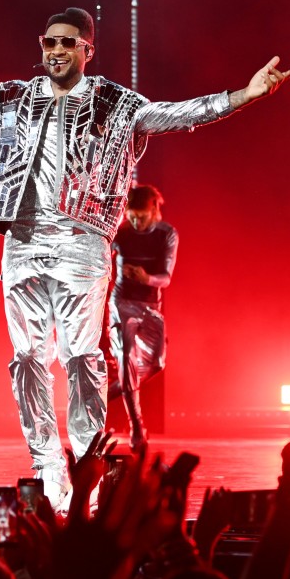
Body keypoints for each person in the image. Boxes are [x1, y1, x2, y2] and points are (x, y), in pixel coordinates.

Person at [0, 6, 290, 508]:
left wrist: (245, 95)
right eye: (49, 42)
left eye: (67, 43)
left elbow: (180, 115)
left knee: (80, 358)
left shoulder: (115, 105)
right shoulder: (10, 100)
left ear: (88, 50)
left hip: (82, 244)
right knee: (27, 359)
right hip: (22, 242)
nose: (55, 51)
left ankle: (87, 470)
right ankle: (49, 471)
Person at [108, 184, 176, 450]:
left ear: (155, 210)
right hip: (122, 303)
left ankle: (112, 391)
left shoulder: (166, 234)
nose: (136, 222)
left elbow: (166, 278)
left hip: (151, 306)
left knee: (157, 364)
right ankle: (137, 427)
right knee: (127, 358)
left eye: (142, 217)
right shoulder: (121, 233)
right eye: (132, 217)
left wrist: (146, 278)